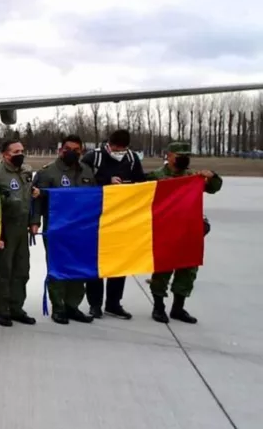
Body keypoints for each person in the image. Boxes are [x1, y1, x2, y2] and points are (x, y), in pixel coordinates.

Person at [146, 142, 222, 324]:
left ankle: (178, 308)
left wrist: (212, 176)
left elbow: (214, 188)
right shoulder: (156, 176)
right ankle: (158, 307)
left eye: (187, 155)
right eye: (180, 155)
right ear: (169, 155)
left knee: (188, 269)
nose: (184, 158)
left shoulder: (193, 177)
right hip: (166, 231)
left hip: (189, 231)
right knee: (163, 270)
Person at [31, 136, 97, 325]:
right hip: (56, 228)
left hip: (81, 229)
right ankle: (58, 307)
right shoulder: (48, 172)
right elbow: (37, 199)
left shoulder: (86, 171)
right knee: (58, 267)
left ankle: (72, 306)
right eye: (68, 149)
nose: (72, 152)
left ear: (81, 151)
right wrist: (34, 222)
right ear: (61, 150)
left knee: (79, 268)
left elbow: (93, 196)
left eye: (76, 150)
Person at [80, 129, 146, 320]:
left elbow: (140, 182)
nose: (119, 152)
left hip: (121, 218)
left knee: (119, 262)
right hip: (97, 216)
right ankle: (95, 304)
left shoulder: (132, 159)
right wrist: (105, 182)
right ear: (109, 144)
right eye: (116, 148)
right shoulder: (94, 157)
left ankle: (113, 303)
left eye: (123, 149)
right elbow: (82, 182)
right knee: (96, 262)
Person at [0, 139, 39, 327]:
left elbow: (28, 196)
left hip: (22, 228)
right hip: (5, 229)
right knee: (3, 271)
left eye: (22, 151)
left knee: (22, 270)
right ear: (5, 154)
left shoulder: (25, 171)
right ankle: (1, 310)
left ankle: (16, 307)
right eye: (16, 151)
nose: (20, 154)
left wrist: (34, 220)